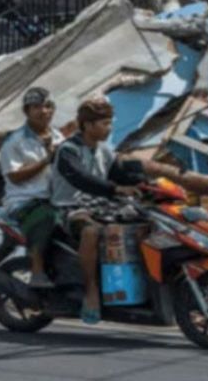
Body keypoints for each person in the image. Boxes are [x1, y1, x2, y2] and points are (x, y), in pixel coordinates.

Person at [49, 96, 146, 324]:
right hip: (68, 207)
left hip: (101, 205)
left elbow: (119, 174)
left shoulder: (105, 150)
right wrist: (116, 189)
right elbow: (82, 179)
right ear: (88, 125)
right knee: (91, 231)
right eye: (105, 124)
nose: (109, 128)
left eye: (110, 123)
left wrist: (142, 180)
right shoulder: (68, 151)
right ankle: (90, 292)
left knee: (143, 223)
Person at [0, 87, 64, 289]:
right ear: (27, 111)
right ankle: (37, 272)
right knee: (48, 216)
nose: (43, 111)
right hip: (24, 202)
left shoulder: (58, 137)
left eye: (47, 106)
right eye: (37, 107)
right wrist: (45, 160)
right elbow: (15, 176)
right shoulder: (15, 141)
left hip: (55, 198)